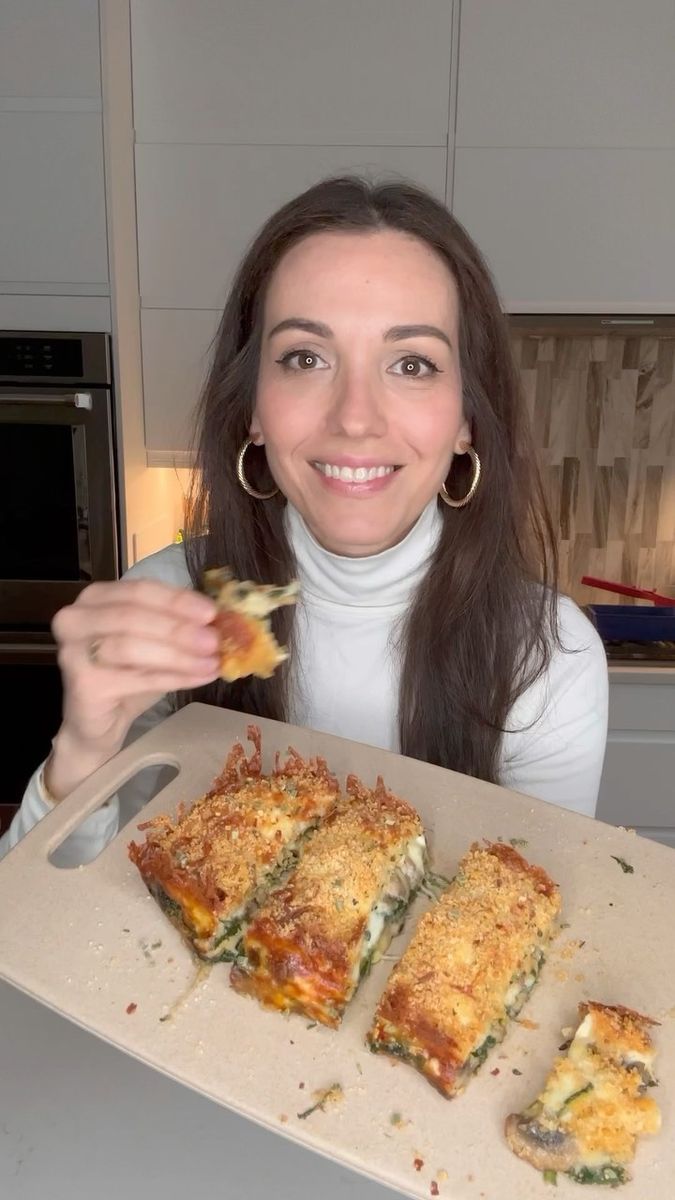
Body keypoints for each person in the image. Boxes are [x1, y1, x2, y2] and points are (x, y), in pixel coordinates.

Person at [0, 176, 608, 867]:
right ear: (254, 408)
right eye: (304, 358)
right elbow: (52, 940)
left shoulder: (548, 656)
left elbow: (533, 922)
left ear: (468, 419)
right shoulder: (172, 602)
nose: (354, 416)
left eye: (411, 363)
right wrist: (82, 745)